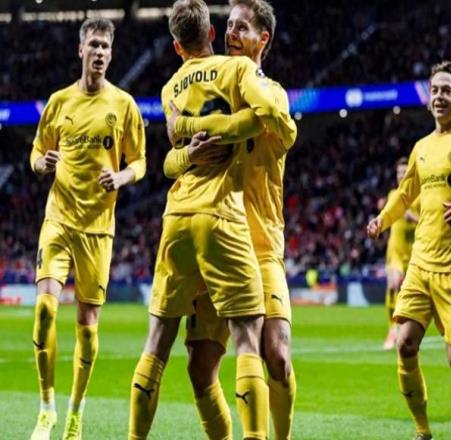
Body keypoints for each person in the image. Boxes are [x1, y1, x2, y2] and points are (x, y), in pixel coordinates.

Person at [127, 1, 296, 439]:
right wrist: (187, 148)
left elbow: (281, 127)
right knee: (200, 369)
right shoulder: (217, 81)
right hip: (217, 232)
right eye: (230, 25)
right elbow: (169, 161)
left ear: (263, 39)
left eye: (243, 27)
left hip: (260, 242)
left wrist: (192, 127)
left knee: (276, 354)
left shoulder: (269, 93)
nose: (232, 32)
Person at [367, 61, 451, 440]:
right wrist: (382, 220)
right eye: (435, 90)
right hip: (420, 266)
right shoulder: (421, 148)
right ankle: (423, 432)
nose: (439, 96)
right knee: (405, 344)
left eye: (447, 90)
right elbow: (404, 194)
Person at [29, 18, 146, 440]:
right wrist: (42, 164)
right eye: (93, 45)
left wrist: (122, 177)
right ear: (80, 50)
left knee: (87, 325)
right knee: (45, 310)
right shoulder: (59, 102)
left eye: (105, 47)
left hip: (98, 230)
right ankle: (46, 409)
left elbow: (140, 162)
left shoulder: (124, 105)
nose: (99, 52)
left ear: (111, 55)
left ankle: (75, 414)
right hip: (58, 219)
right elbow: (36, 153)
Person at [380, 157, 419, 350]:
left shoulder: (419, 197)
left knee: (409, 296)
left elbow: (427, 221)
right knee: (392, 285)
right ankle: (392, 329)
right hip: (395, 251)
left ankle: (405, 330)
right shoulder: (393, 195)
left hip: (413, 253)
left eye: (404, 172)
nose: (401, 176)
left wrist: (413, 217)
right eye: (398, 173)